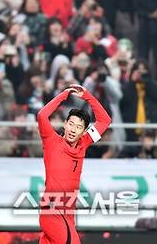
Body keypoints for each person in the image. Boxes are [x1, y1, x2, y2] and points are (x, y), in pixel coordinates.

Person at [37, 84, 111, 244]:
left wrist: (87, 96)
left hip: (69, 213)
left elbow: (105, 121)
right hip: (52, 209)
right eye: (71, 124)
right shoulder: (51, 141)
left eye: (78, 127)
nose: (73, 129)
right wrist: (64, 95)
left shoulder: (84, 143)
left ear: (84, 131)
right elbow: (42, 116)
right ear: (65, 124)